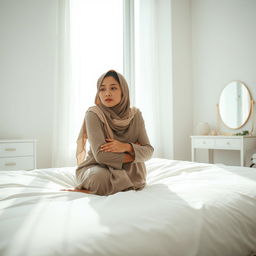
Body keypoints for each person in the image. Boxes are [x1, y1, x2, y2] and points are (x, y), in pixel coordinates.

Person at [68, 70, 154, 196]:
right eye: (102, 89)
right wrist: (134, 154)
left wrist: (126, 147)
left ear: (123, 91)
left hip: (129, 170)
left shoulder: (135, 115)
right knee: (99, 179)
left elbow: (149, 151)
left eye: (113, 88)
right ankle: (101, 187)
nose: (107, 93)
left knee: (137, 179)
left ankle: (97, 190)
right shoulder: (93, 114)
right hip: (97, 166)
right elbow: (101, 156)